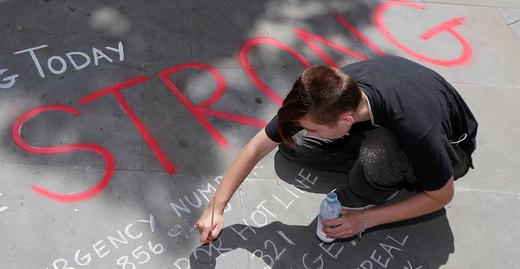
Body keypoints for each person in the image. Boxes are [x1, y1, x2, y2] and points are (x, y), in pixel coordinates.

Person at [194, 55, 477, 243]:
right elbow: (257, 146)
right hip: (377, 124)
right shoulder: (332, 92)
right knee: (294, 145)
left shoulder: (416, 127)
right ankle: (366, 163)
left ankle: (373, 184)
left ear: (346, 120)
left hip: (450, 152)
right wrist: (215, 207)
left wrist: (363, 219)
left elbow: (441, 195)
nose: (308, 129)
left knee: (377, 155)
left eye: (314, 127)